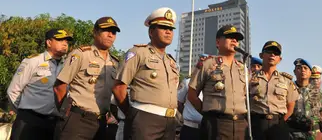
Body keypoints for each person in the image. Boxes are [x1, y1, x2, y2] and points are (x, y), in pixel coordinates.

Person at [112, 7, 178, 140]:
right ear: (151, 31)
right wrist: (132, 114)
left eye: (171, 29)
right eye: (163, 27)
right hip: (145, 118)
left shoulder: (171, 61)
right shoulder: (138, 52)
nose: (168, 32)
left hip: (170, 121)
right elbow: (119, 88)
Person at [53, 17, 121, 140]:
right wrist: (66, 113)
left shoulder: (115, 62)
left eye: (114, 32)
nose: (110, 35)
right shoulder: (81, 54)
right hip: (77, 119)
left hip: (101, 123)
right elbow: (59, 87)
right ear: (95, 32)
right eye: (106, 30)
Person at [7, 29, 73, 140]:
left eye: (66, 41)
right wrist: (24, 113)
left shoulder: (67, 65)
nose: (65, 43)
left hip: (53, 123)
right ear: (49, 42)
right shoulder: (33, 61)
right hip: (29, 121)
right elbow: (13, 90)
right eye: (60, 39)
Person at [188, 25, 249, 140]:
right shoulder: (207, 64)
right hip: (216, 123)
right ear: (217, 42)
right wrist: (208, 113)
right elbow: (192, 94)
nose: (234, 40)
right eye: (229, 37)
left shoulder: (243, 68)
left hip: (240, 124)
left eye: (236, 38)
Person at [249, 41, 299, 140]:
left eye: (276, 53)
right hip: (256, 125)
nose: (272, 54)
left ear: (279, 59)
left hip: (278, 125)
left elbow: (290, 107)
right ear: (261, 55)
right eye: (269, 51)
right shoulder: (250, 78)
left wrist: (280, 121)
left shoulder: (286, 80)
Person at [288, 59, 322, 140]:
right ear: (294, 72)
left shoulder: (318, 92)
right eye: (299, 68)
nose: (302, 70)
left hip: (314, 133)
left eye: (305, 68)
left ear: (310, 73)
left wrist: (313, 122)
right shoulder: (288, 89)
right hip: (293, 133)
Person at [177, 54, 207, 140]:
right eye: (201, 63)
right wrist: (187, 114)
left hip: (207, 128)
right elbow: (179, 103)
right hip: (190, 129)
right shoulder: (187, 82)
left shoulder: (212, 84)